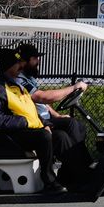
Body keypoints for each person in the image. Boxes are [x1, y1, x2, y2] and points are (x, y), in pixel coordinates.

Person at [0, 46, 60, 189]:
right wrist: (24, 121)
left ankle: (70, 175)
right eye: (17, 64)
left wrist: (45, 123)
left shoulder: (16, 85)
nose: (21, 66)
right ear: (8, 66)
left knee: (59, 135)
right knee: (43, 137)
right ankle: (49, 181)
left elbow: (29, 110)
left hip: (18, 132)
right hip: (3, 137)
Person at [16, 41, 91, 184]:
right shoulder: (19, 80)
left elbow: (43, 104)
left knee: (78, 126)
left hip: (44, 118)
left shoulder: (28, 78)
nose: (38, 61)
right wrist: (73, 87)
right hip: (36, 122)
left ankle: (73, 170)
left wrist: (57, 115)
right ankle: (82, 170)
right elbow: (43, 97)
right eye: (35, 58)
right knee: (66, 131)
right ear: (25, 61)